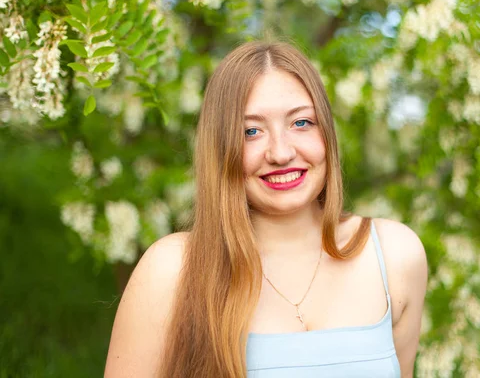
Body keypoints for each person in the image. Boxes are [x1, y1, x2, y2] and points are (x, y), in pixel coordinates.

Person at [104, 41, 428, 378]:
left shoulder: (395, 256)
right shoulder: (172, 270)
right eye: (251, 131)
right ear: (222, 147)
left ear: (327, 133)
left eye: (301, 123)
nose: (281, 152)